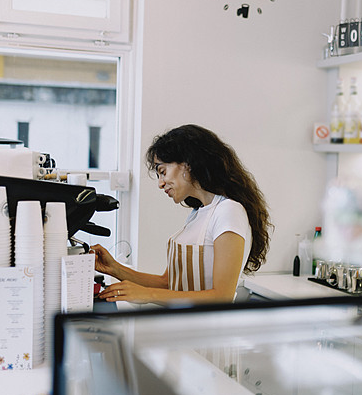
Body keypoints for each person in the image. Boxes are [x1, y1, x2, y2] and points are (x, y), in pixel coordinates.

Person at [90, 124, 272, 305]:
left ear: (187, 164)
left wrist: (146, 295)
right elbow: (168, 283)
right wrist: (114, 268)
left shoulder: (229, 211)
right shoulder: (197, 214)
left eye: (163, 172)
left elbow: (221, 296)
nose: (160, 183)